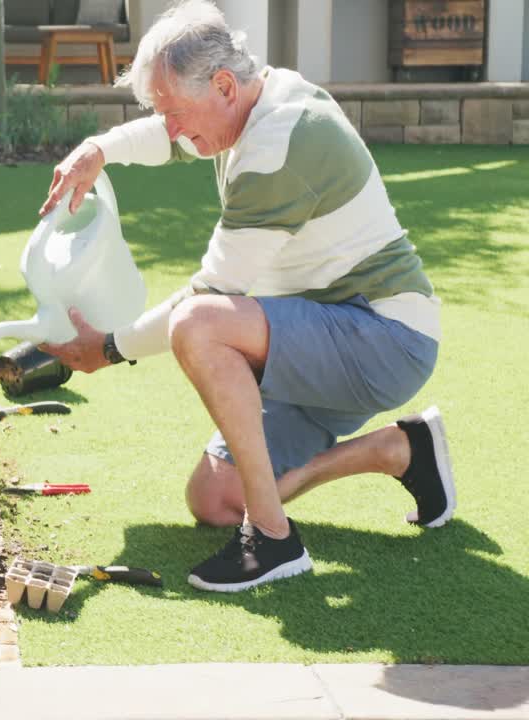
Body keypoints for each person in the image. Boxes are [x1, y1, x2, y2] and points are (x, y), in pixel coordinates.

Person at [36, 0, 454, 592]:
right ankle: (397, 451)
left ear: (225, 85)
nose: (173, 128)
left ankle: (273, 538)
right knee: (213, 498)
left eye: (177, 112)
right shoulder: (255, 97)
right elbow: (169, 135)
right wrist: (100, 149)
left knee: (200, 323)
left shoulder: (279, 144)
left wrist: (107, 350)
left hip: (383, 339)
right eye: (165, 113)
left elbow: (209, 293)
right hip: (317, 339)